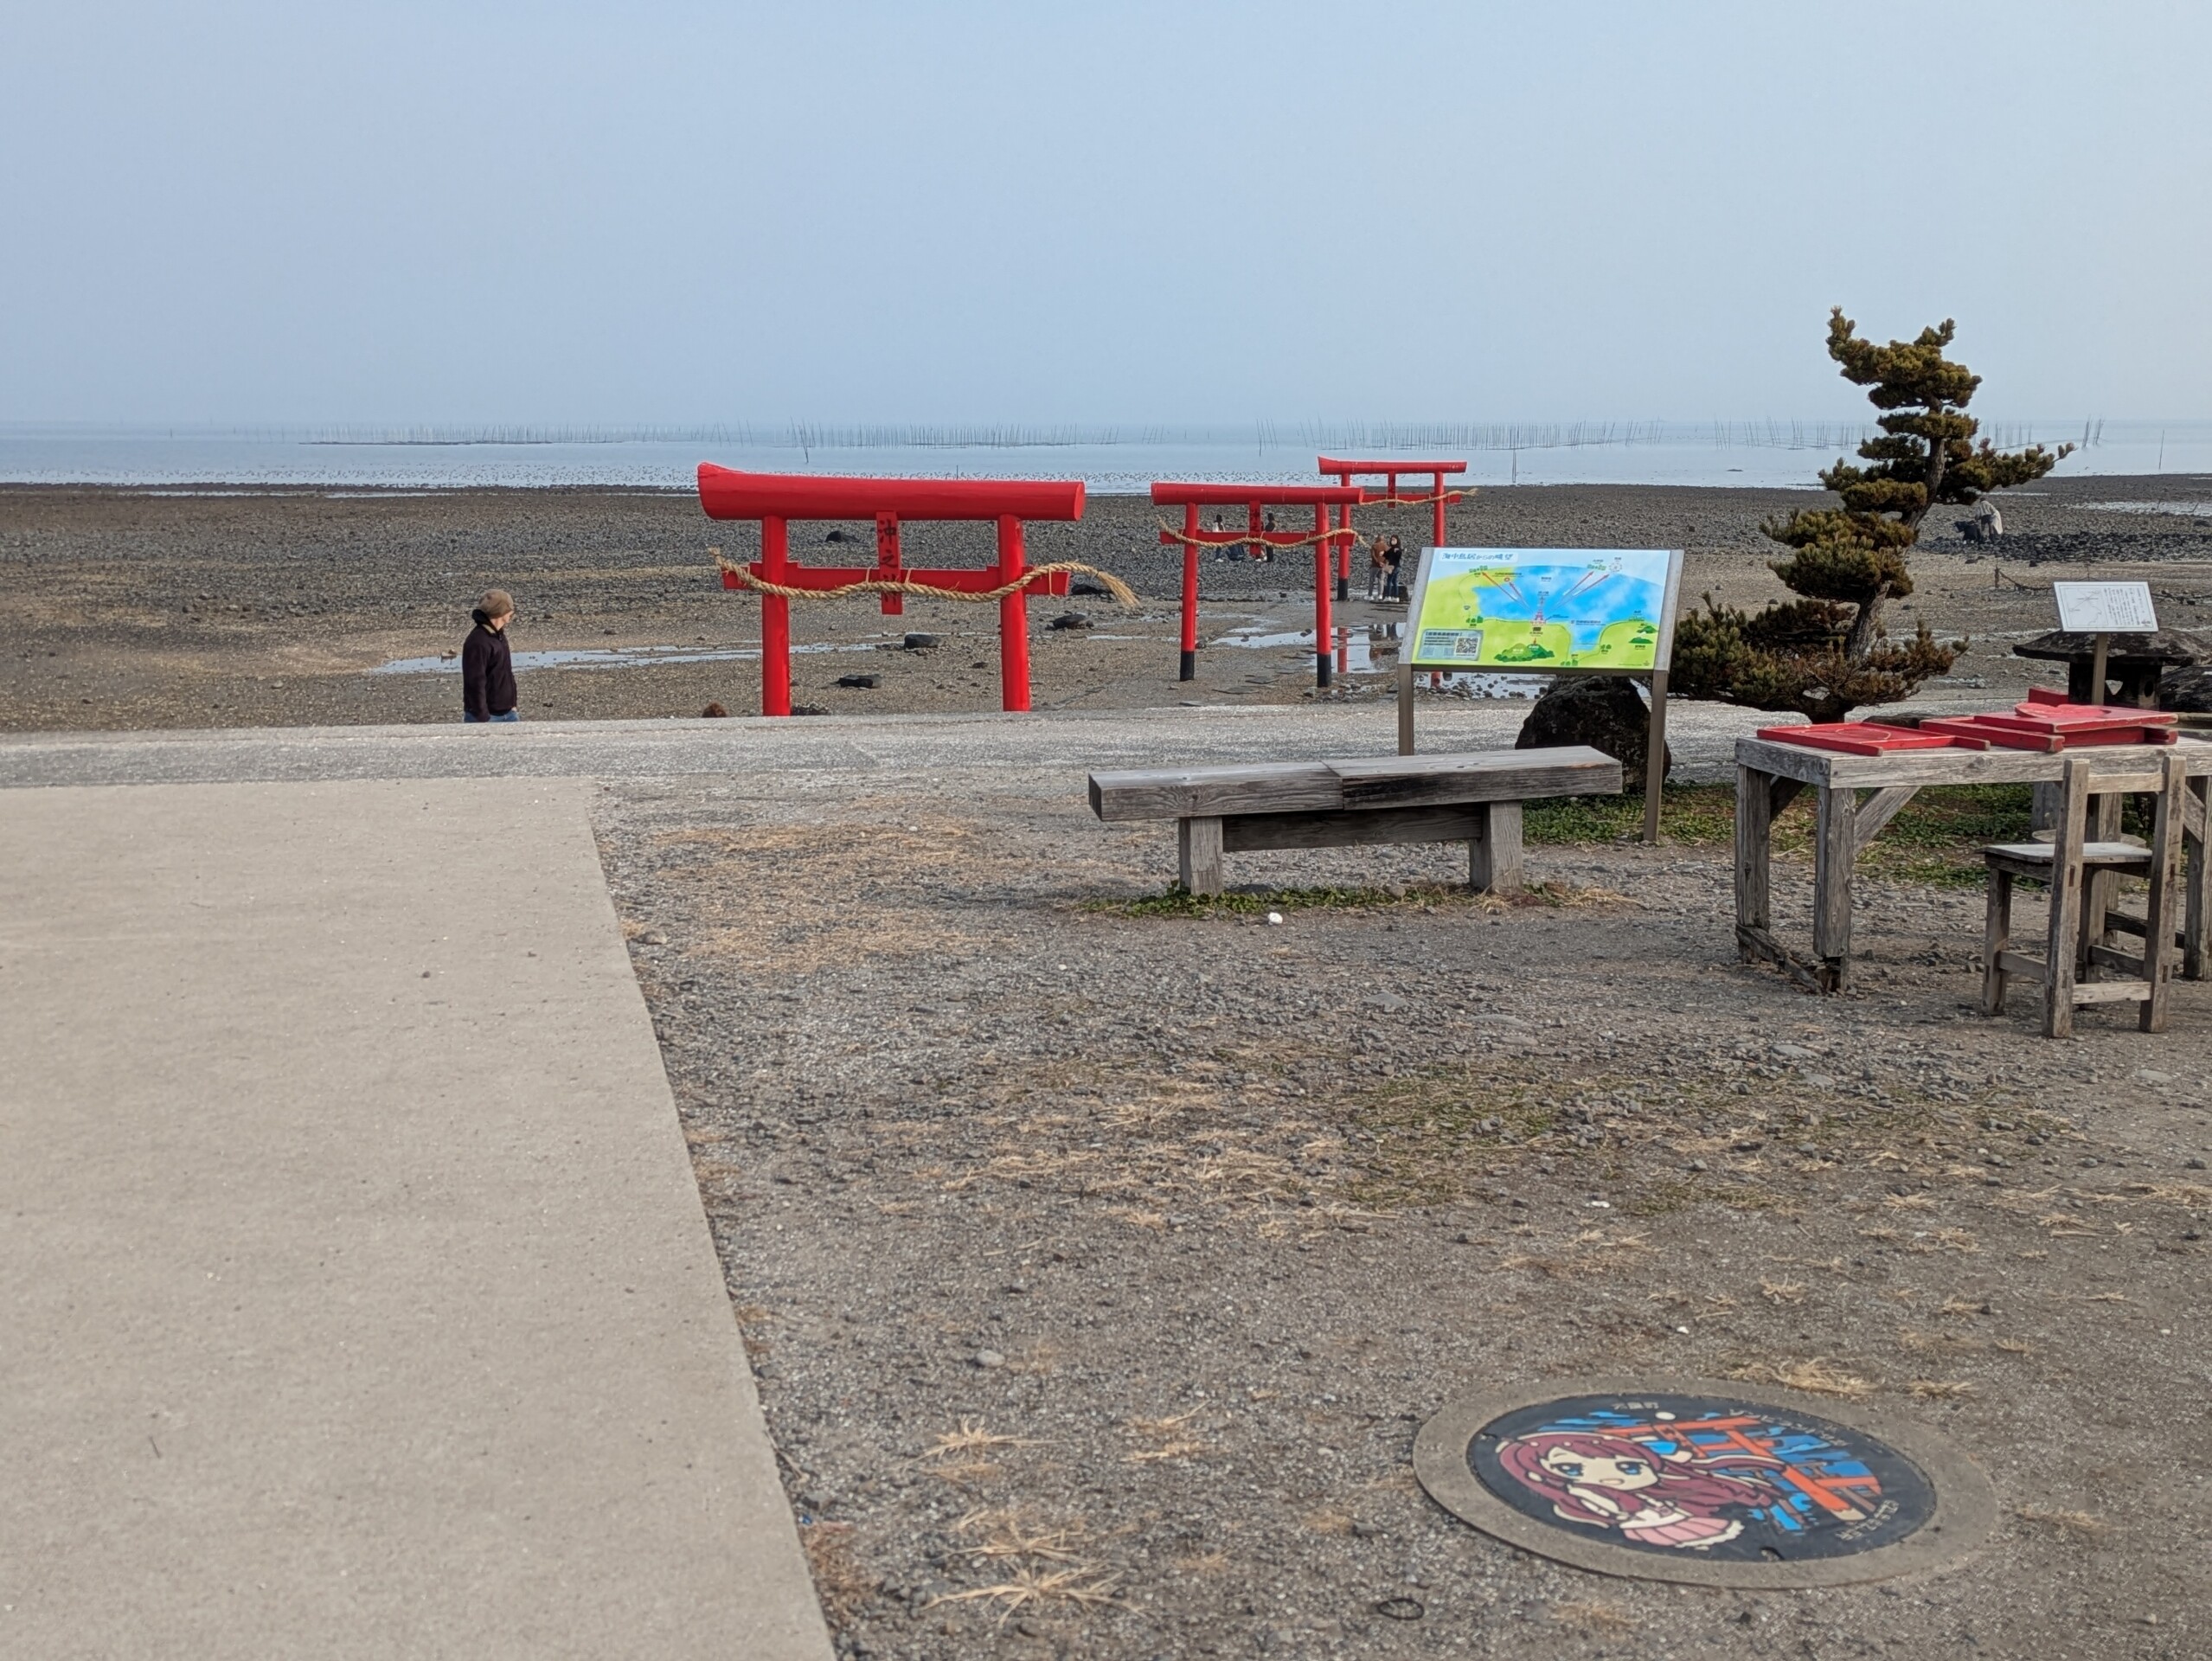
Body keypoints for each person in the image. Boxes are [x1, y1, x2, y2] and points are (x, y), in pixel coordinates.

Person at [462, 589, 519, 723]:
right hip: (487, 717)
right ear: (501, 611)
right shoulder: (478, 641)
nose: (512, 612)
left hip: (508, 713)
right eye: (510, 608)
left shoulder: (498, 636)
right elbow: (475, 683)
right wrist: (483, 717)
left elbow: (505, 673)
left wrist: (513, 705)